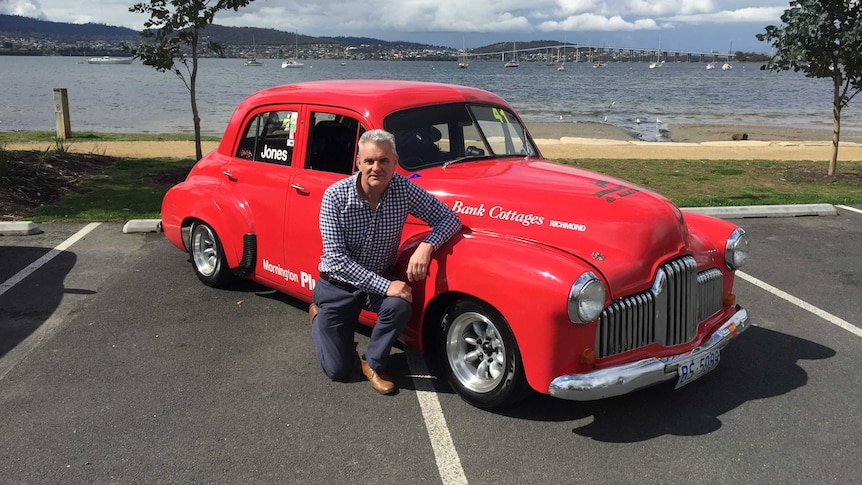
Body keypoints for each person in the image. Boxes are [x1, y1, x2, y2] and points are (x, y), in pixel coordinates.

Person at [310, 129, 462, 395]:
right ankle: (319, 315)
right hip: (338, 287)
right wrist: (386, 286)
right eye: (369, 161)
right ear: (358, 163)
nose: (376, 167)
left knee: (400, 304)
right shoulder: (334, 197)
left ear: (394, 161)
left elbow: (449, 218)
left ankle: (374, 363)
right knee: (339, 371)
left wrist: (427, 245)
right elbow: (336, 261)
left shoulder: (403, 189)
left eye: (383, 161)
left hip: (378, 279)